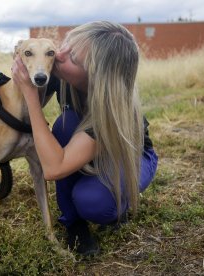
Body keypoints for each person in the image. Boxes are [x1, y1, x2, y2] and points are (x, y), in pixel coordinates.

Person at [12, 21, 158, 256]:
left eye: (74, 59)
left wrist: (30, 94)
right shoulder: (59, 72)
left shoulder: (109, 108)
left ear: (95, 78)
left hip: (130, 155)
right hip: (87, 146)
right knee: (66, 124)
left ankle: (119, 205)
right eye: (67, 44)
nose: (59, 55)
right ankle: (73, 223)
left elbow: (53, 168)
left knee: (93, 201)